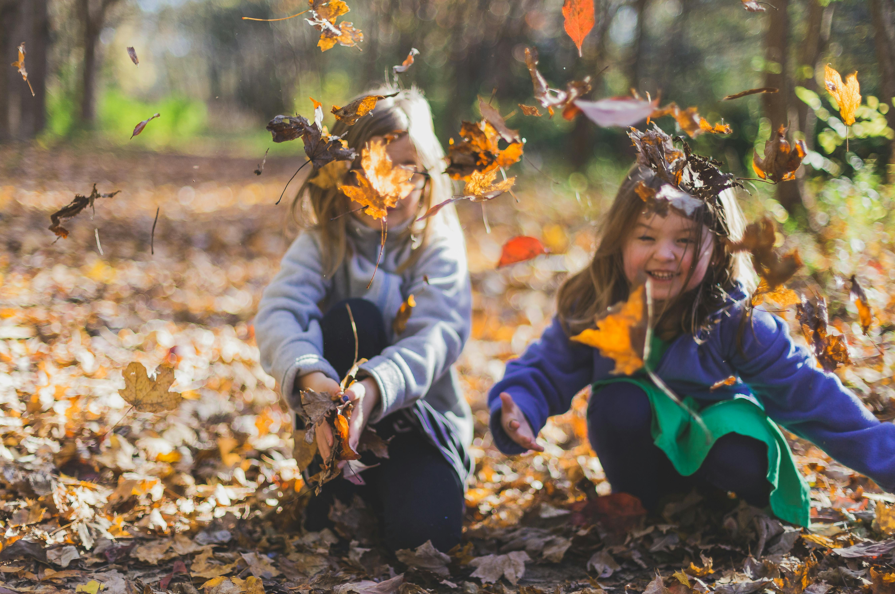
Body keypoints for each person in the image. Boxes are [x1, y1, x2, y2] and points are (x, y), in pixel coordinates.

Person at [488, 125, 895, 527]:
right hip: (643, 460)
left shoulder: (737, 319)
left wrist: (887, 459)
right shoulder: (598, 303)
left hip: (723, 453)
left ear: (717, 250)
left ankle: (732, 510)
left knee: (735, 441)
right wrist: (521, 406)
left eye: (684, 241)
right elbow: (545, 368)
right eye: (646, 237)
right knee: (618, 403)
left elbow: (812, 397)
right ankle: (644, 506)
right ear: (620, 240)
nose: (663, 254)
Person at [255, 87, 473, 551]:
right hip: (333, 433)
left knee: (427, 539)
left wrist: (372, 390)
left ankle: (402, 493)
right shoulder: (323, 243)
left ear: (427, 173)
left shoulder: (436, 243)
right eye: (371, 167)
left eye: (405, 169)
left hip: (419, 430)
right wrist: (312, 376)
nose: (389, 185)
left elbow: (438, 334)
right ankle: (335, 486)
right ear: (342, 173)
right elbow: (279, 312)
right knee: (353, 317)